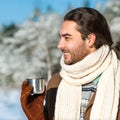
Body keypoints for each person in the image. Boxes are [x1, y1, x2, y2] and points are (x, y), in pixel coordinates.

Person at [20, 7, 120, 120]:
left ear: (90, 40)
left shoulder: (116, 78)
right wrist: (39, 117)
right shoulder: (56, 82)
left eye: (67, 38)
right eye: (61, 37)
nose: (60, 45)